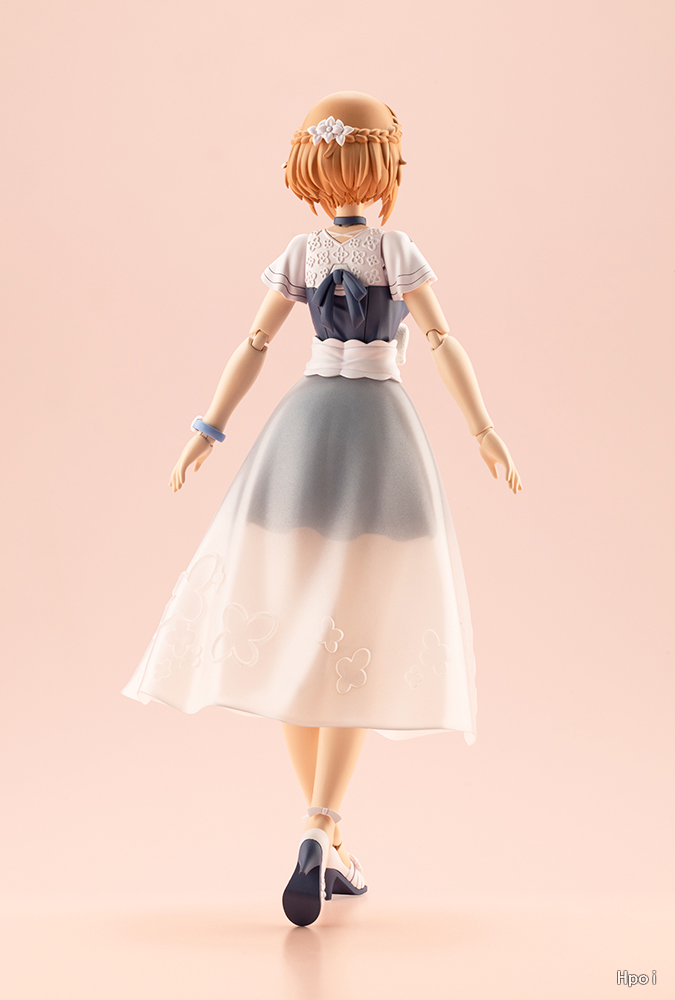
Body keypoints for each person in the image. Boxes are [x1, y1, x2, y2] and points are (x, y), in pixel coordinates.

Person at [122, 91, 522, 926]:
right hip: (379, 436)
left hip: (301, 433)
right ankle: (321, 823)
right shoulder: (394, 248)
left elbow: (255, 343)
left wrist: (207, 431)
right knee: (356, 629)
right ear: (385, 168)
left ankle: (324, 835)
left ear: (308, 168)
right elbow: (441, 340)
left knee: (302, 626)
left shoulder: (301, 251)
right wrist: (483, 430)